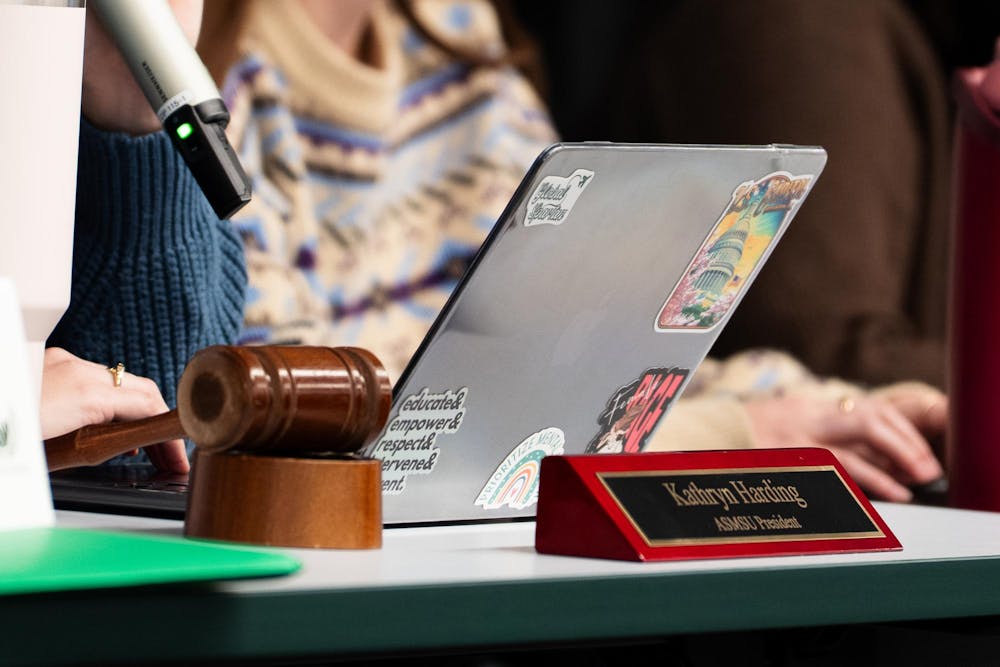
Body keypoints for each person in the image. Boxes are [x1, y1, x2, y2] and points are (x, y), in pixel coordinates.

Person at [54, 0, 946, 500]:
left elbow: (571, 339)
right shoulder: (193, 60)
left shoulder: (451, 34)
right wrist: (724, 436)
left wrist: (833, 404)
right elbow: (278, 417)